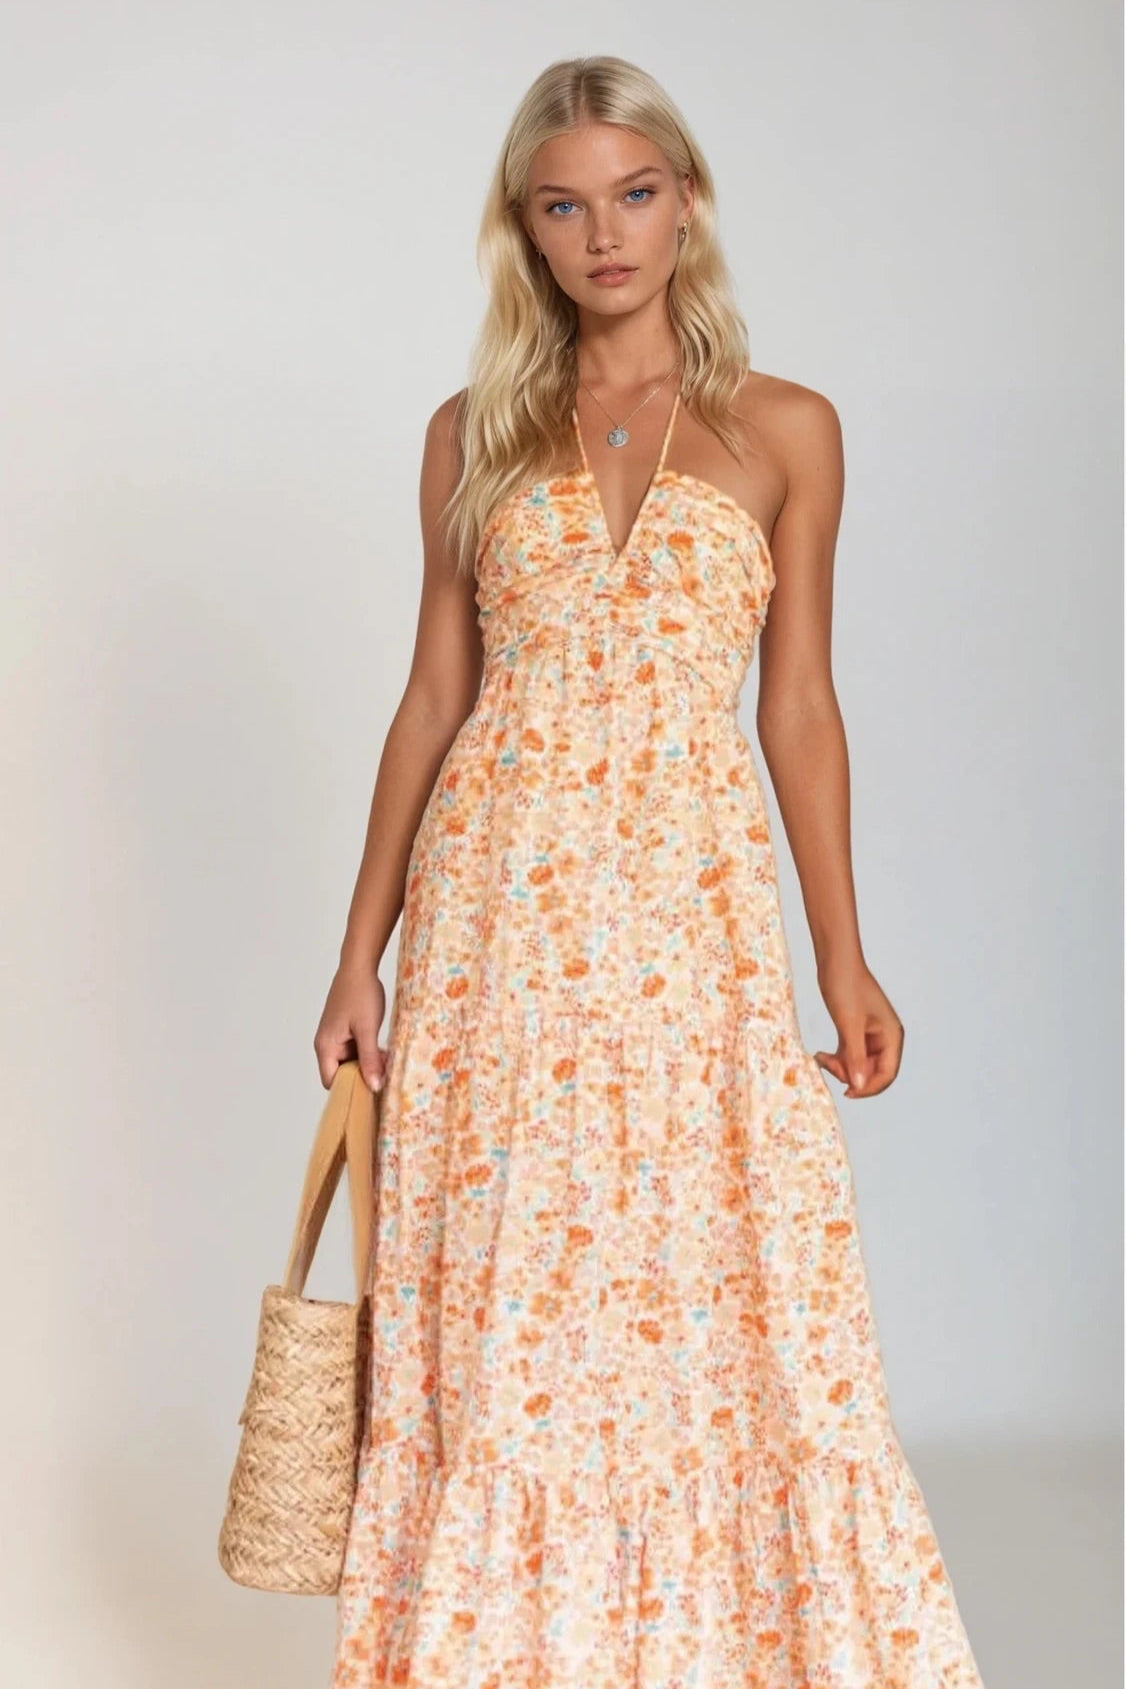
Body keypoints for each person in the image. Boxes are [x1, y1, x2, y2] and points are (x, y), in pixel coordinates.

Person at [320, 52, 986, 1689]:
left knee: (716, 1262)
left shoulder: (784, 430)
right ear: (524, 233)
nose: (603, 233)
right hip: (498, 910)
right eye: (564, 205)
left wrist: (844, 955)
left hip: (692, 912)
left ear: (683, 201)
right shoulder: (469, 436)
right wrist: (359, 953)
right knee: (512, 1279)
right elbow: (430, 702)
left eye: (633, 192)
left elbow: (801, 705)